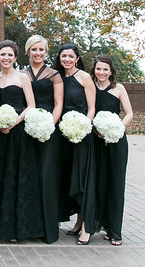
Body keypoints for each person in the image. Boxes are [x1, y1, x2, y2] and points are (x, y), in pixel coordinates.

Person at [0, 40, 43, 242]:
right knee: (1, 177)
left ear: (15, 57)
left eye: (9, 55)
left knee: (18, 176)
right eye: (2, 55)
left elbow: (31, 105)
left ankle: (20, 228)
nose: (6, 58)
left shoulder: (22, 78)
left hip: (18, 131)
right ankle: (1, 226)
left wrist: (14, 121)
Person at [54, 43, 97, 245]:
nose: (67, 59)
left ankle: (87, 228)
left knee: (82, 180)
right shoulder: (57, 77)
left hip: (80, 136)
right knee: (68, 177)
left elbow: (91, 109)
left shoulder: (85, 78)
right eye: (64, 56)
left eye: (71, 56)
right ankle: (77, 221)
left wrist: (81, 128)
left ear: (77, 58)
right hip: (62, 136)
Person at [24, 35, 63, 243]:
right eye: (34, 49)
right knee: (29, 176)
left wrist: (49, 125)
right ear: (28, 51)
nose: (38, 53)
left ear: (46, 52)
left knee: (47, 176)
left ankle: (48, 229)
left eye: (41, 50)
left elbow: (59, 104)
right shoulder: (22, 74)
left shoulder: (54, 75)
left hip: (48, 129)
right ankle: (30, 227)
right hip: (27, 129)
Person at [92, 54, 133, 246]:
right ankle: (100, 224)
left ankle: (115, 231)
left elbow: (129, 113)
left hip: (116, 141)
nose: (101, 72)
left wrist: (116, 129)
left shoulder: (118, 88)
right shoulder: (90, 87)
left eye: (105, 69)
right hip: (96, 140)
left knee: (115, 184)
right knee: (99, 182)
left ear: (111, 71)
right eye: (98, 69)